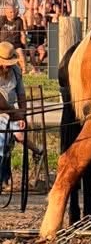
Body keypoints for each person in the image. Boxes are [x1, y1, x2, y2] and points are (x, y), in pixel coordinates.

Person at [0, 42, 42, 184]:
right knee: (2, 140)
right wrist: (14, 114)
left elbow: (21, 95)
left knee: (19, 134)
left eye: (9, 63)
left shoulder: (16, 72)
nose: (7, 66)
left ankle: (37, 151)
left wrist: (22, 115)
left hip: (12, 112)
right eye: (5, 63)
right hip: (2, 112)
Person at [22, 0, 46, 73]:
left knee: (35, 12)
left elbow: (38, 9)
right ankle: (36, 68)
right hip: (29, 20)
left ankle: (35, 67)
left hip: (37, 19)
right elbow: (30, 7)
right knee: (30, 12)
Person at [0, 4, 26, 73]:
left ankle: (24, 70)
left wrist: (24, 44)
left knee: (20, 52)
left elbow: (22, 33)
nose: (13, 14)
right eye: (11, 12)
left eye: (14, 12)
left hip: (16, 44)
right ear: (6, 12)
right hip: (4, 44)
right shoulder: (2, 19)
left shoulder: (19, 20)